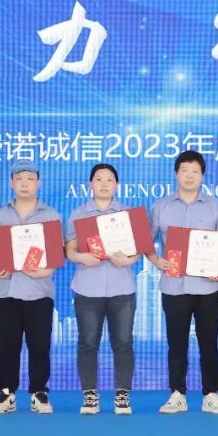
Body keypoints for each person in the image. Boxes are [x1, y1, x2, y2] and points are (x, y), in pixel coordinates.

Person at [147, 150, 218, 415]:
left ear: (202, 176)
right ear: (176, 174)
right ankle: (177, 394)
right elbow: (145, 242)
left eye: (195, 171)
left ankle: (211, 394)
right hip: (174, 286)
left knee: (209, 342)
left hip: (208, 287)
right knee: (177, 343)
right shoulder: (161, 206)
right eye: (184, 170)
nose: (189, 176)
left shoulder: (215, 206)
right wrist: (156, 260)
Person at [65, 164, 139, 415]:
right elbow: (70, 250)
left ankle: (122, 395)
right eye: (99, 179)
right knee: (88, 343)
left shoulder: (127, 215)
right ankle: (90, 395)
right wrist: (81, 257)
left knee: (124, 343)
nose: (104, 184)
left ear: (117, 185)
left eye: (109, 179)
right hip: (87, 288)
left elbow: (137, 250)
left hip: (122, 288)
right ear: (90, 184)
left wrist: (128, 260)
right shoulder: (78, 214)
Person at [0, 162, 62, 415]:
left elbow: (56, 254)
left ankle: (39, 392)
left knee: (39, 345)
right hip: (7, 290)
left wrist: (47, 270)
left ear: (38, 183)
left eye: (30, 179)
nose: (24, 183)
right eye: (19, 178)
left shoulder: (51, 215)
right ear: (12, 183)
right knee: (7, 345)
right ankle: (6, 393)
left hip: (39, 291)